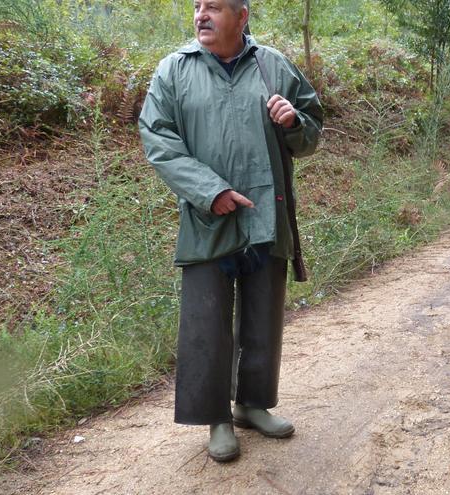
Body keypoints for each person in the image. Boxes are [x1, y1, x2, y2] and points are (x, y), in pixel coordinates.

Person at [138, 0, 322, 462]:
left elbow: (312, 130)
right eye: (197, 6)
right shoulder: (174, 71)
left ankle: (252, 405)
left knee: (263, 317)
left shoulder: (273, 65)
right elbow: (157, 138)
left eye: (214, 7)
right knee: (207, 322)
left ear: (242, 17)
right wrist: (210, 191)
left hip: (265, 212)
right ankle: (216, 418)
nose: (201, 14)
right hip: (208, 217)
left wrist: (293, 122)